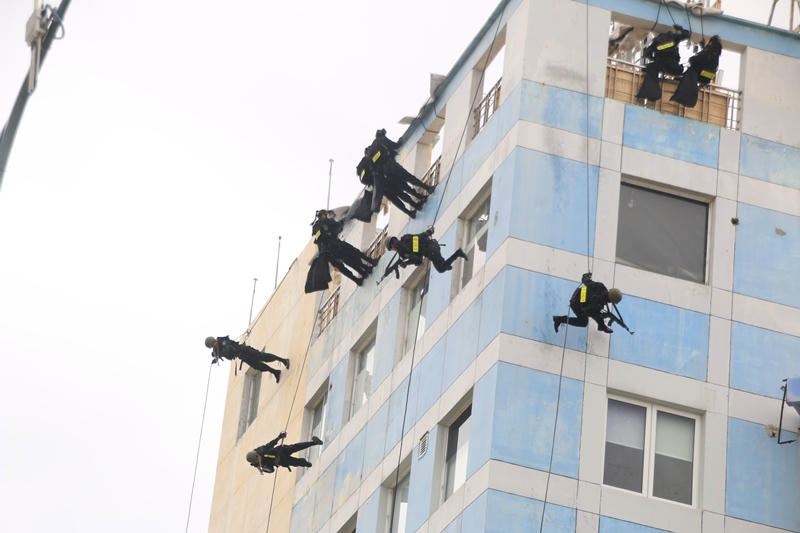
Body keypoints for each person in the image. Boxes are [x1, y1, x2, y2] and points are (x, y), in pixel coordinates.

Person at [307, 209, 376, 289]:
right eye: (326, 215)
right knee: (354, 252)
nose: (328, 216)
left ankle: (359, 278)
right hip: (336, 246)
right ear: (323, 215)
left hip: (329, 255)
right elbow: (337, 225)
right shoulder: (325, 221)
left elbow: (320, 240)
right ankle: (370, 263)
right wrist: (346, 218)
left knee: (346, 264)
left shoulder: (316, 229)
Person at [552, 273, 623, 334]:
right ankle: (559, 319)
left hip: (578, 293)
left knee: (593, 313)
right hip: (576, 304)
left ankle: (559, 319)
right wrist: (602, 322)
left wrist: (586, 276)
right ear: (610, 301)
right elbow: (588, 312)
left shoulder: (601, 286)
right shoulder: (598, 304)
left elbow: (586, 281)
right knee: (583, 322)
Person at [636, 24, 691, 101]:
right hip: (672, 65)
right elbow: (687, 34)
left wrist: (653, 58)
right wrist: (681, 29)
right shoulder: (674, 37)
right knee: (681, 72)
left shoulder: (656, 41)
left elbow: (647, 54)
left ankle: (651, 93)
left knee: (650, 69)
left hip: (659, 64)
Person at [384, 228, 468, 276]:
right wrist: (428, 232)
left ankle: (458, 253)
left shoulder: (403, 251)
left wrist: (406, 263)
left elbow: (417, 259)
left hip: (431, 251)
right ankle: (446, 264)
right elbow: (418, 240)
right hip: (433, 245)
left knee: (441, 268)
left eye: (392, 247)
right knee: (441, 264)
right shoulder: (405, 238)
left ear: (392, 247)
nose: (394, 247)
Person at [205, 336, 288, 382]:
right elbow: (229, 356)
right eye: (212, 346)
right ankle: (276, 372)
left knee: (263, 357)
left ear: (213, 341)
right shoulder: (218, 349)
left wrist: (219, 354)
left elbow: (228, 349)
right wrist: (216, 357)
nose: (214, 346)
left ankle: (283, 360)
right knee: (259, 366)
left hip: (245, 350)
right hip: (243, 357)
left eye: (213, 344)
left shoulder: (222, 340)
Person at [670, 35, 722, 108]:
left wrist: (692, 58)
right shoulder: (716, 57)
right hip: (706, 79)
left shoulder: (707, 52)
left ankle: (681, 93)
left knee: (690, 71)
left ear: (710, 43)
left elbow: (694, 60)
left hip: (698, 75)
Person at [246, 432, 324, 473]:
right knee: (296, 462)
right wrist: (265, 468)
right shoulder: (260, 465)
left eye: (258, 456)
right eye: (257, 459)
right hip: (281, 460)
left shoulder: (261, 450)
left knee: (296, 447)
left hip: (280, 451)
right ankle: (307, 464)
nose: (259, 458)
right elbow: (271, 470)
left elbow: (270, 444)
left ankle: (315, 442)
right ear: (255, 461)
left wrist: (279, 437)